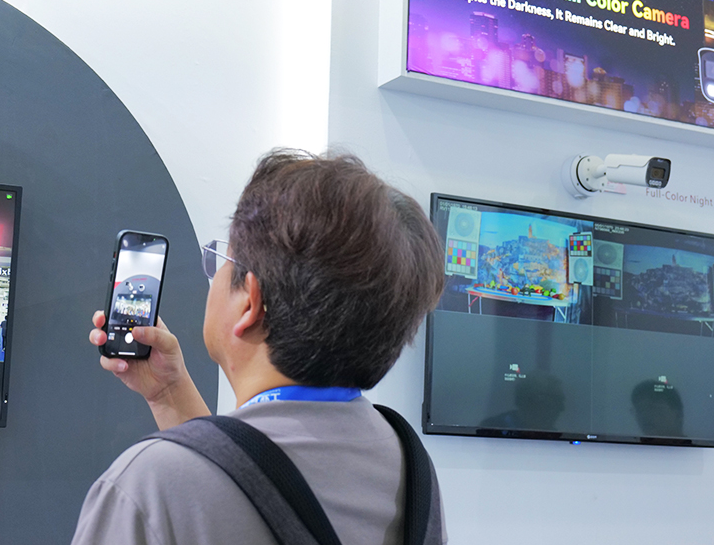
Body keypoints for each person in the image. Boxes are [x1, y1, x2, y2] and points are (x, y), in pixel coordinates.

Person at [72, 150, 448, 544]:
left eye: (223, 258)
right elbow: (247, 478)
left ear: (251, 302)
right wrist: (169, 394)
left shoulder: (149, 488)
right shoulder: (412, 471)